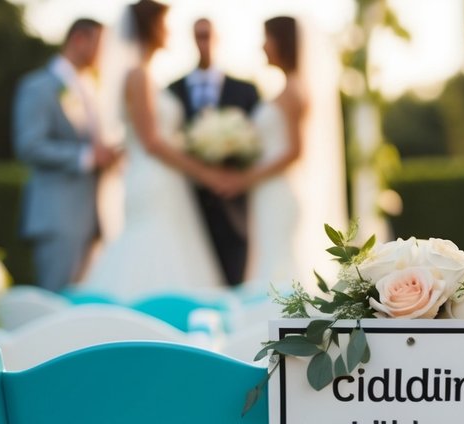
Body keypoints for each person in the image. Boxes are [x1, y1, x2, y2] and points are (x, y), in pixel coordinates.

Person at [82, 0, 227, 299]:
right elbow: (152, 142)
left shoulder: (146, 75)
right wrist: (205, 173)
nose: (169, 31)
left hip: (161, 178)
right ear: (152, 28)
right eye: (165, 24)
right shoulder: (139, 75)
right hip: (153, 179)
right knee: (151, 247)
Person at [219, 16, 348, 291]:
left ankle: (283, 310)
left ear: (281, 42)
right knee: (272, 258)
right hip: (270, 191)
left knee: (279, 261)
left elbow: (295, 150)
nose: (262, 46)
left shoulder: (293, 91)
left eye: (266, 39)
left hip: (279, 191)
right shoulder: (289, 88)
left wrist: (245, 178)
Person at [13, 18, 120, 292]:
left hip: (95, 217)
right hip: (59, 216)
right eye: (101, 45)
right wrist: (87, 157)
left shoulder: (93, 90)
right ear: (79, 40)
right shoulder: (38, 87)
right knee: (56, 301)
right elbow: (30, 145)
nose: (105, 54)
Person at [169, 19, 260, 288]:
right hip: (186, 201)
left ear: (218, 38)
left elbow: (258, 143)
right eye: (198, 36)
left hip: (234, 206)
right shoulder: (172, 90)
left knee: (235, 276)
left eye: (208, 35)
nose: (204, 42)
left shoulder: (245, 90)